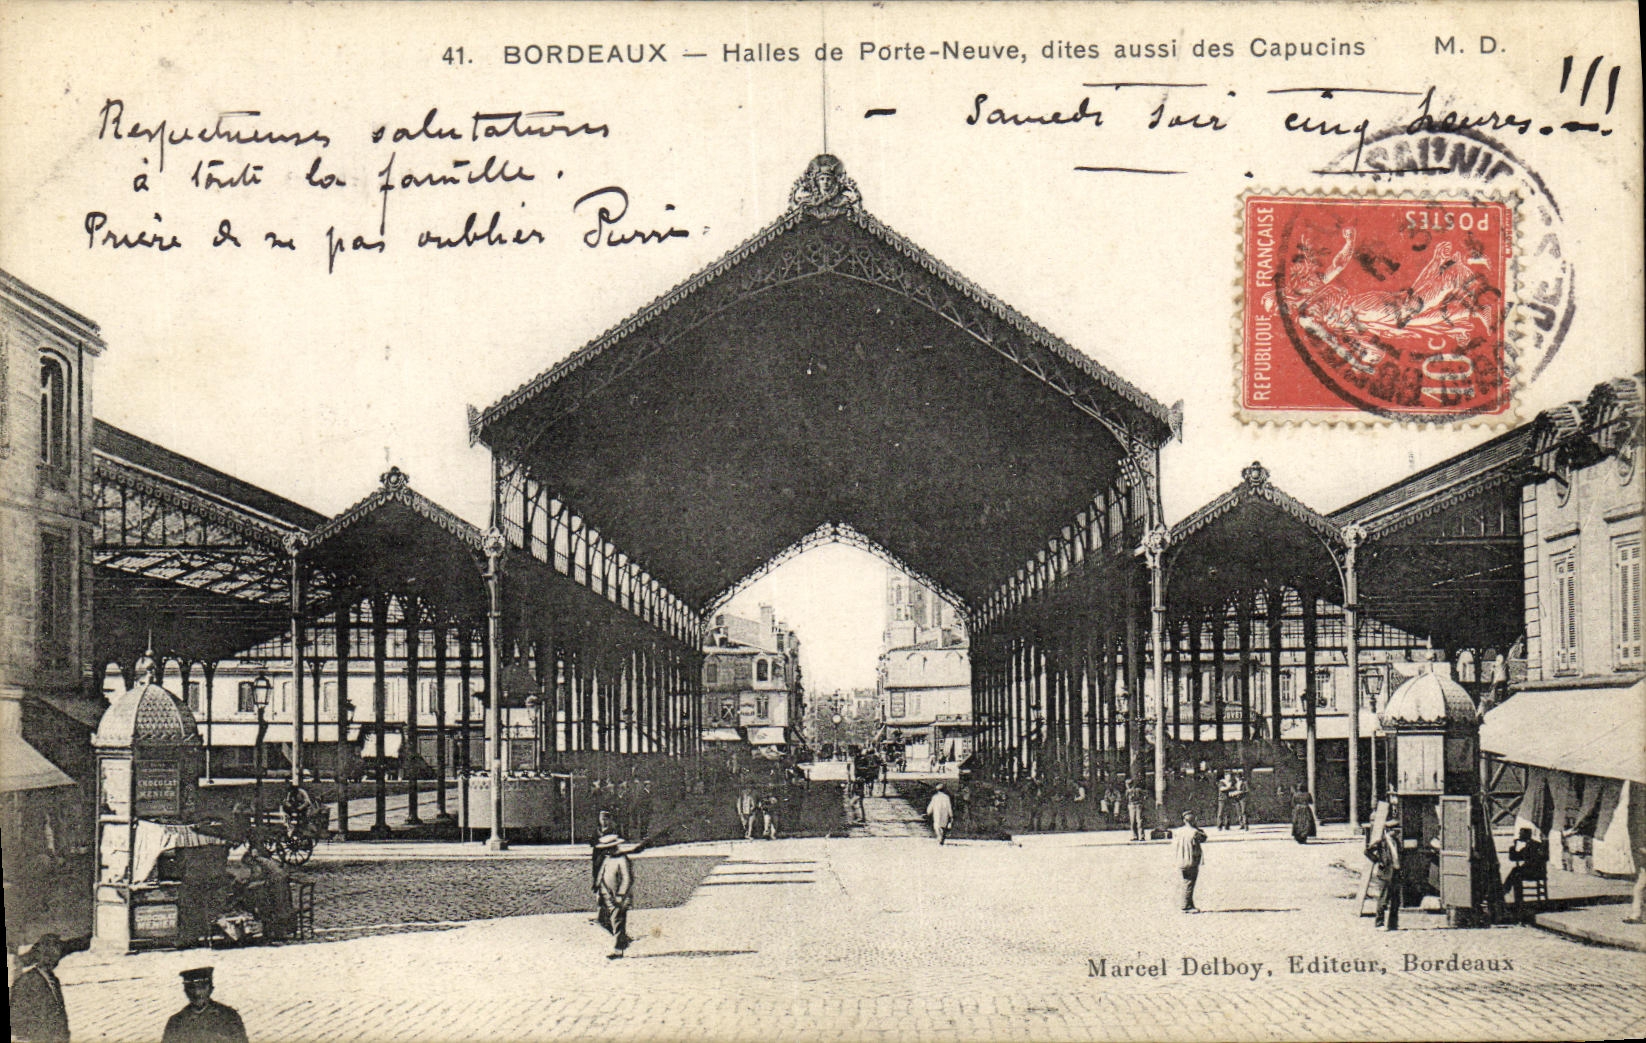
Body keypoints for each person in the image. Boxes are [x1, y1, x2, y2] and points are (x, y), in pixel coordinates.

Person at [594, 831, 647, 959]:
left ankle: (618, 950)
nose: (605, 852)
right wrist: (598, 886)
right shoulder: (607, 859)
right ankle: (623, 939)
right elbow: (602, 873)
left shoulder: (622, 859)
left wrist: (620, 895)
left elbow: (627, 879)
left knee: (618, 921)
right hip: (605, 894)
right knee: (602, 919)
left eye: (607, 849)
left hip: (619, 897)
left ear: (613, 847)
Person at [161, 967, 248, 1043]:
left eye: (202, 987)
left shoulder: (229, 1017)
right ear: (185, 991)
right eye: (192, 988)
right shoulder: (176, 1022)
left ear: (211, 988)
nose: (197, 993)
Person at [10, 933, 70, 1043]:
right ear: (43, 955)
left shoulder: (54, 981)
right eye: (52, 954)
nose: (56, 959)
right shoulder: (26, 981)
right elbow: (16, 1019)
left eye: (58, 954)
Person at [1502, 827, 1549, 914]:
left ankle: (1516, 900)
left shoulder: (1533, 846)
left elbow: (1516, 857)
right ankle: (1508, 892)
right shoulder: (1529, 845)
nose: (1519, 836)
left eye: (1521, 834)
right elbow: (1513, 858)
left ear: (1526, 835)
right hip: (1533, 871)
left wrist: (1514, 847)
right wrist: (1514, 846)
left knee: (1516, 874)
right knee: (1515, 872)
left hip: (1536, 872)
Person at [1371, 821, 1403, 930]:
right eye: (1395, 830)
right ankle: (1379, 923)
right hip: (1385, 873)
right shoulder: (1381, 842)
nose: (1397, 832)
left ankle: (1393, 924)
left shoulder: (1396, 841)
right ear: (1389, 831)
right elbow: (1368, 851)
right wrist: (1379, 862)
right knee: (1383, 899)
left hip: (1396, 872)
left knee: (1396, 900)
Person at [1173, 812, 1208, 912]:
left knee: (1186, 881)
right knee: (1189, 882)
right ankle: (1186, 905)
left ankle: (1190, 903)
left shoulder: (1178, 831)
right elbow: (1204, 838)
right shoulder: (1195, 832)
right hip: (1191, 860)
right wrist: (1197, 828)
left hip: (1181, 859)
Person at [1126, 776, 1146, 841]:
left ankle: (1142, 836)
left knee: (1139, 821)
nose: (1128, 786)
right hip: (1131, 805)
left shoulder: (1138, 790)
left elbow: (1145, 795)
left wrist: (1142, 801)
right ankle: (1135, 836)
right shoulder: (1127, 791)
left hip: (1138, 805)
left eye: (1129, 784)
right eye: (1127, 784)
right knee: (1132, 821)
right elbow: (1126, 799)